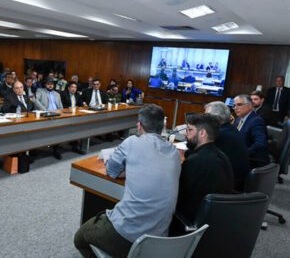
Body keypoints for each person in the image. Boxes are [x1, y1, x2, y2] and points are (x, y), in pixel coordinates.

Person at [74, 104, 181, 258]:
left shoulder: (131, 142)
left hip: (128, 235)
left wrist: (128, 169)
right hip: (159, 240)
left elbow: (111, 171)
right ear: (162, 126)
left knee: (80, 238)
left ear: (139, 125)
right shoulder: (174, 152)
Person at [176, 113, 234, 223]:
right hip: (217, 219)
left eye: (190, 130)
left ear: (202, 133)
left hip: (191, 222)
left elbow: (178, 195)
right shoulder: (222, 156)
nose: (186, 134)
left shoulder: (195, 162)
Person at [205, 101, 250, 191]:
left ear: (216, 119)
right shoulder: (231, 129)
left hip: (229, 186)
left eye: (206, 116)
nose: (203, 119)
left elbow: (202, 156)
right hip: (238, 180)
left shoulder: (219, 134)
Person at [233, 94, 269, 168]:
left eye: (239, 105)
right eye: (234, 105)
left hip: (252, 160)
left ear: (250, 105)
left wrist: (242, 153)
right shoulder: (239, 118)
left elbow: (260, 144)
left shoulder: (256, 121)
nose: (235, 108)